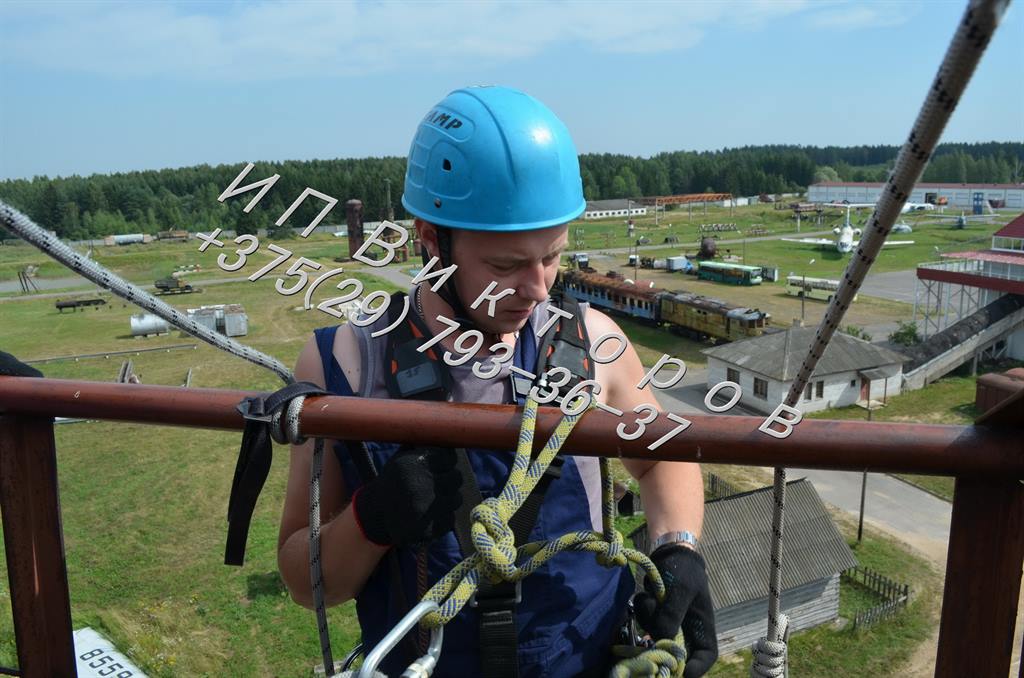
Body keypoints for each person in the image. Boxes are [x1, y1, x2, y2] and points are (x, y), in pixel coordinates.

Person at [278, 86, 716, 677]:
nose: (538, 290)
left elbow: (663, 461)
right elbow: (306, 582)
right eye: (506, 266)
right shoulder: (345, 365)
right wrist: (371, 519)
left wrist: (678, 547)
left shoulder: (592, 343)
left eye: (553, 256)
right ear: (431, 242)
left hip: (581, 659)